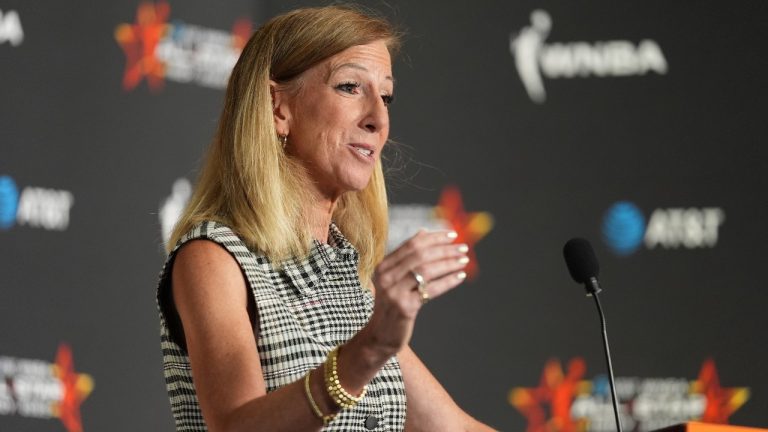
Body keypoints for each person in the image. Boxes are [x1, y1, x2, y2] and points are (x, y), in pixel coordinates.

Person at [157, 5, 496, 431]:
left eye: (386, 95)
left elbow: (452, 429)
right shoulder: (213, 259)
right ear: (279, 108)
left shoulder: (347, 277)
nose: (378, 118)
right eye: (351, 87)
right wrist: (365, 353)